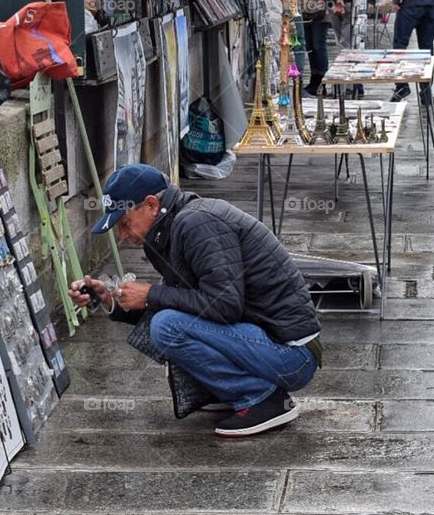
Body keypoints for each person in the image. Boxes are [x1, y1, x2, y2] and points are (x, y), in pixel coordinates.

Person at [69, 164, 321, 438]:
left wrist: (150, 294)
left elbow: (224, 305)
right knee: (168, 321)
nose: (123, 237)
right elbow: (186, 307)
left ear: (152, 204)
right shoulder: (170, 229)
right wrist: (110, 299)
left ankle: (262, 398)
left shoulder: (197, 223)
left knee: (166, 326)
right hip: (268, 344)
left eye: (125, 223)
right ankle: (237, 390)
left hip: (292, 356)